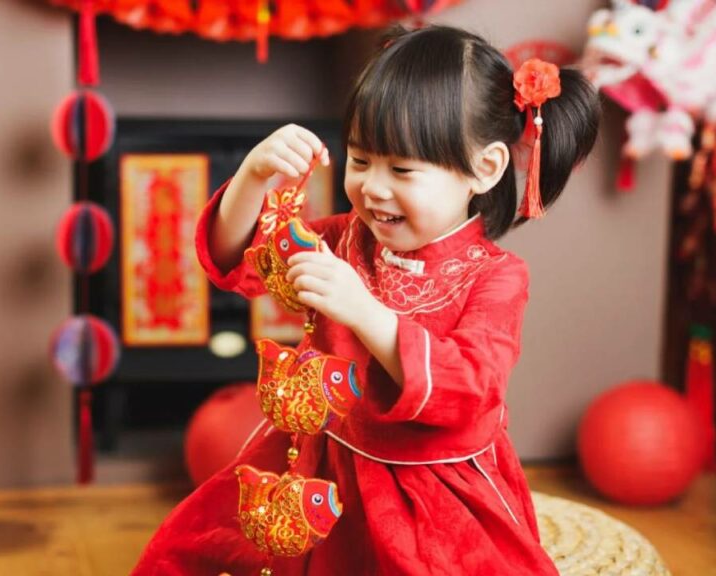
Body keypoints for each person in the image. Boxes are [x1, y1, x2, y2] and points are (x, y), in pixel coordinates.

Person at [131, 24, 600, 575]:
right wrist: (252, 178)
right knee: (205, 550)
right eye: (360, 161)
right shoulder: (343, 238)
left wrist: (364, 311)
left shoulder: (496, 277)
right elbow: (241, 260)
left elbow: (469, 388)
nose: (374, 188)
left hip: (427, 493)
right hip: (318, 465)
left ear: (486, 168)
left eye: (402, 169)